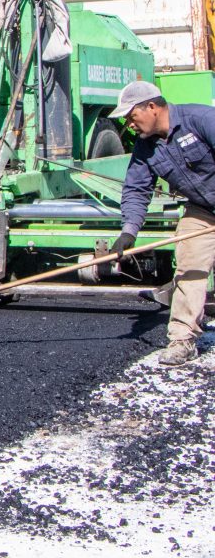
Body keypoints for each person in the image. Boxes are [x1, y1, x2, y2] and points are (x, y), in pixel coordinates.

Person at [109, 80, 215, 367]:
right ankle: (182, 339)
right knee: (189, 263)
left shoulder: (202, 120)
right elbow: (136, 190)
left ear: (152, 107)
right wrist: (128, 232)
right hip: (203, 209)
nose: (130, 124)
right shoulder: (145, 148)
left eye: (132, 116)